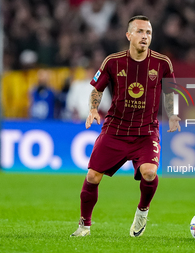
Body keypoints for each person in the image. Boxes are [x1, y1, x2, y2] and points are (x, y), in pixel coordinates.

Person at [71, 15, 181, 237]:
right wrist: (93, 109)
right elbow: (97, 89)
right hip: (115, 130)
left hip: (146, 131)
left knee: (149, 173)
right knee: (92, 177)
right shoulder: (112, 61)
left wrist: (173, 114)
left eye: (148, 32)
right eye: (140, 31)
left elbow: (170, 91)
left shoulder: (162, 63)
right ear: (129, 35)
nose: (145, 36)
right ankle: (84, 226)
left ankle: (142, 212)